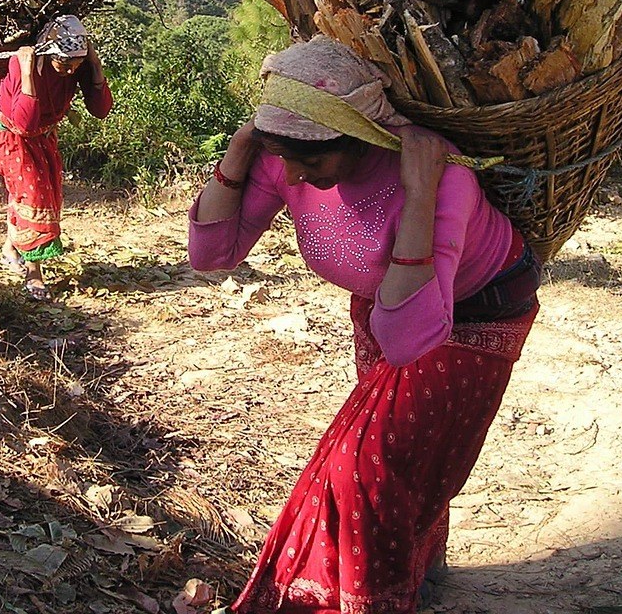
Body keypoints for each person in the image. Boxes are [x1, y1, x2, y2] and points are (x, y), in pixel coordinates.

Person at [189, 35, 541, 614]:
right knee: (401, 452)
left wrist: (422, 188)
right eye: (284, 155)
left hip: (478, 310)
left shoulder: (441, 179)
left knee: (361, 469)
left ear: (359, 140)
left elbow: (410, 338)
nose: (296, 175)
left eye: (310, 159)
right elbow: (212, 253)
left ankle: (365, 596)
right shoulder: (290, 160)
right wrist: (241, 150)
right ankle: (411, 566)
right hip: (386, 303)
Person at [0, 15, 112, 298]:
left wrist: (94, 65)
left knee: (31, 193)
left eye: (74, 64)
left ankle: (9, 248)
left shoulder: (76, 66)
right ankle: (34, 273)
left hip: (42, 135)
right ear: (48, 53)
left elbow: (101, 109)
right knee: (34, 196)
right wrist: (28, 73)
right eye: (63, 64)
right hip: (9, 134)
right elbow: (25, 123)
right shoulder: (24, 64)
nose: (68, 71)